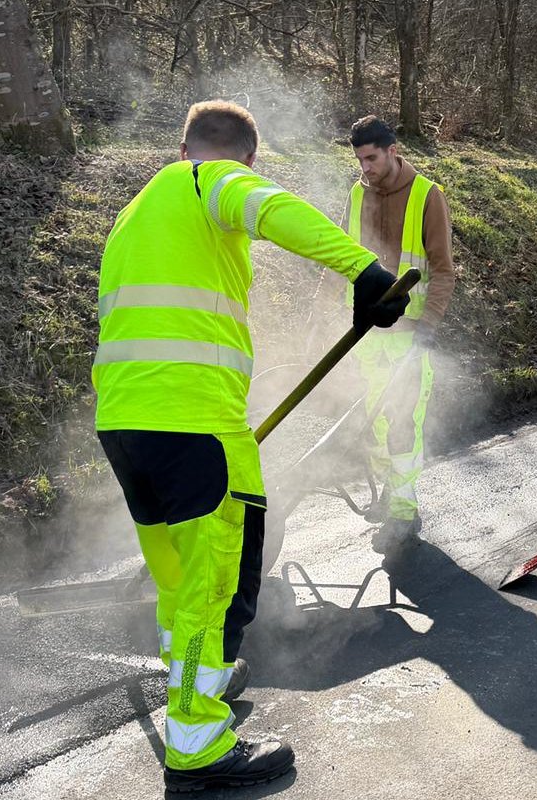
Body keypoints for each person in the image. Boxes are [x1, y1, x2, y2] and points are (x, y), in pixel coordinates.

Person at [92, 100, 408, 792]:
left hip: (122, 423)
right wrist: (366, 272)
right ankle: (199, 746)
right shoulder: (213, 181)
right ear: (247, 158)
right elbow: (274, 210)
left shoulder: (134, 212)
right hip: (195, 422)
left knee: (178, 581)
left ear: (181, 148)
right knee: (220, 584)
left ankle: (194, 685)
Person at [341, 115, 456, 554]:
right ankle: (391, 494)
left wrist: (427, 328)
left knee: (403, 423)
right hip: (367, 333)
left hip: (409, 335)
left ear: (393, 151)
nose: (365, 168)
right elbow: (341, 257)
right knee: (375, 421)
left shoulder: (427, 195)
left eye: (371, 158)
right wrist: (319, 315)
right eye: (359, 160)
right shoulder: (357, 193)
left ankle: (404, 513)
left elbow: (443, 270)